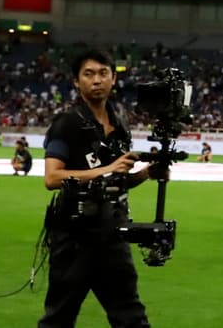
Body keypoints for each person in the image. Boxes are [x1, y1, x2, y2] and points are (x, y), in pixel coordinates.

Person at [38, 48, 167, 328]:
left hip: (114, 235)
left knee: (132, 318)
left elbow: (116, 182)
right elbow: (52, 178)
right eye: (89, 74)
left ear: (113, 79)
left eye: (103, 73)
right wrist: (107, 168)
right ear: (76, 82)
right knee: (59, 318)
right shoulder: (67, 123)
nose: (96, 80)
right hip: (75, 239)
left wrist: (145, 173)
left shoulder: (119, 124)